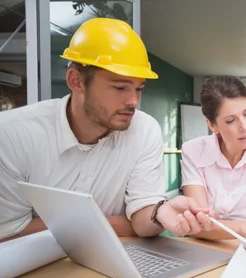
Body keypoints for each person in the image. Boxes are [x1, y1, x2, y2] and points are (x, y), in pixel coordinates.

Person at [0, 18, 211, 243]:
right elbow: (9, 234)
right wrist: (120, 223)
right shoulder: (12, 135)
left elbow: (142, 220)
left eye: (139, 89)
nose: (133, 101)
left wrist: (159, 213)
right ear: (76, 81)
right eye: (120, 87)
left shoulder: (145, 130)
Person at [181, 76, 246, 268]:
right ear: (212, 125)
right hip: (199, 253)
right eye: (231, 120)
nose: (245, 127)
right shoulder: (193, 152)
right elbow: (200, 225)